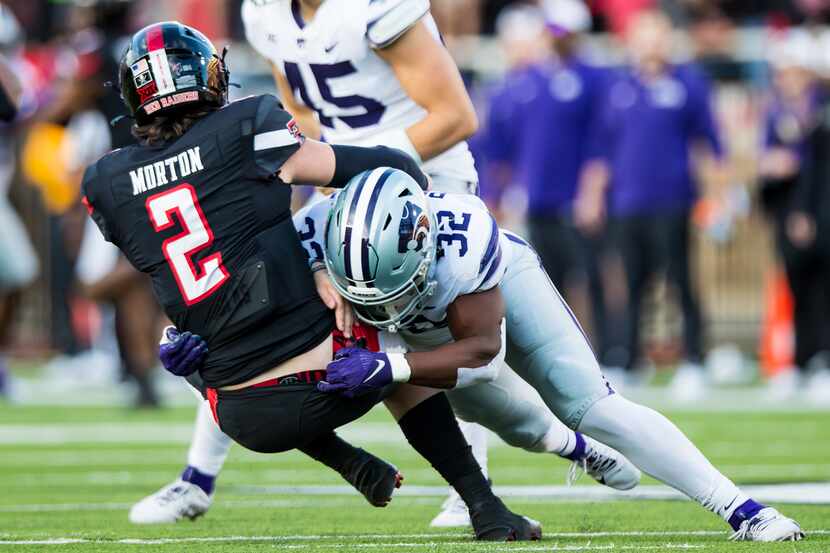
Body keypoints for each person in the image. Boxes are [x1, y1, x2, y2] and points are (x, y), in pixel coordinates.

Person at [82, 21, 539, 542]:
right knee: (387, 333)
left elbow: (184, 259)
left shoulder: (106, 183)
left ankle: (348, 462)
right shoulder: (247, 124)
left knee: (197, 346)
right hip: (323, 376)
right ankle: (482, 504)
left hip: (238, 413)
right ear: (207, 76)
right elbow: (361, 166)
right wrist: (405, 179)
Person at [311, 169, 801, 542]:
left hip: (502, 290)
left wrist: (391, 364)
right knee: (506, 422)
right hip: (431, 319)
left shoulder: (462, 243)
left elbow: (483, 354)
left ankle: (743, 509)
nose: (384, 305)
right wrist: (318, 272)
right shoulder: (315, 230)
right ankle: (579, 449)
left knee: (590, 406)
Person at [575, 10, 721, 399]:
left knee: (681, 282)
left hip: (673, 200)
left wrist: (718, 195)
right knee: (631, 285)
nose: (651, 42)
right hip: (626, 202)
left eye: (657, 34)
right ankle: (629, 361)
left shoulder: (687, 83)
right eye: (644, 34)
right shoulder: (617, 86)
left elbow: (708, 142)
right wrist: (592, 196)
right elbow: (600, 149)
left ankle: (694, 361)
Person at [479, 0, 610, 360]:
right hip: (536, 198)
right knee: (545, 284)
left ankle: (604, 352)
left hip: (574, 198)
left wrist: (591, 190)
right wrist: (497, 195)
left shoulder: (593, 78)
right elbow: (503, 148)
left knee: (590, 277)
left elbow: (600, 141)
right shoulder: (525, 82)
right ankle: (559, 354)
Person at [758, 31, 830, 402]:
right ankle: (802, 360)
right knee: (797, 286)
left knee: (821, 288)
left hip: (817, 208)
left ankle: (820, 359)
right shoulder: (777, 112)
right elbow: (766, 160)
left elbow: (817, 166)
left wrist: (806, 209)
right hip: (787, 209)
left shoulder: (820, 111)